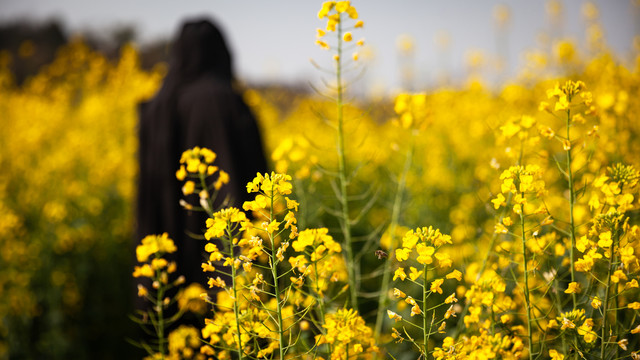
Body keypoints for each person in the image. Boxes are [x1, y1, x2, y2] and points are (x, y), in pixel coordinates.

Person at [136, 18, 268, 289]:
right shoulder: (227, 101)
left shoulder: (155, 106)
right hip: (225, 267)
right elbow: (256, 177)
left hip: (166, 263)